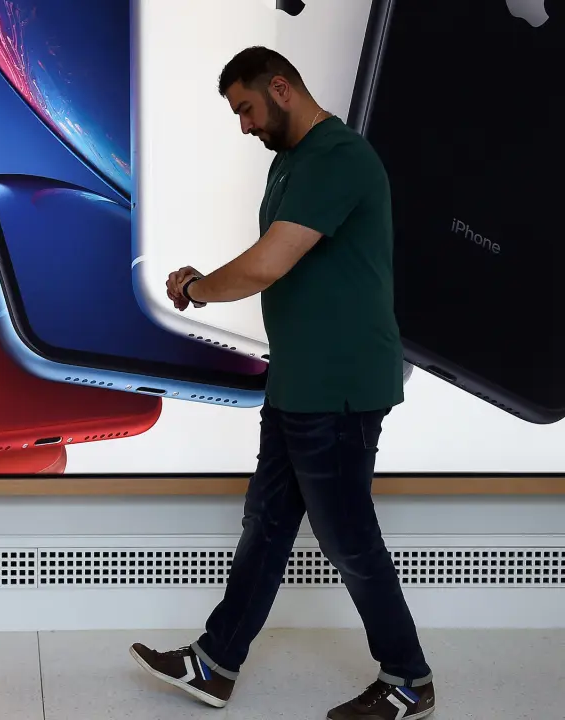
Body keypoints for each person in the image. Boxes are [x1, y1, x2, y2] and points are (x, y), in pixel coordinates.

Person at [127, 47, 435, 719]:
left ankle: (409, 680)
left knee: (348, 538)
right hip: (299, 380)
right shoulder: (291, 161)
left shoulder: (338, 157)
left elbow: (269, 263)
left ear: (281, 88)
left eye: (246, 108)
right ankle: (215, 664)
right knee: (267, 525)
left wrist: (196, 289)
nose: (244, 125)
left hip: (340, 385)